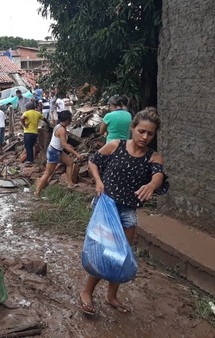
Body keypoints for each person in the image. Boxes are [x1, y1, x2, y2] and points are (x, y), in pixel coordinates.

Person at [79, 108, 167, 316]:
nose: (145, 137)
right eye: (141, 131)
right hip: (106, 208)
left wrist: (152, 186)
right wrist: (98, 182)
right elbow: (93, 161)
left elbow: (158, 176)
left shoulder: (154, 157)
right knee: (103, 252)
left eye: (150, 134)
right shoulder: (115, 146)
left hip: (127, 212)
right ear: (132, 128)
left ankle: (111, 296)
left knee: (120, 255)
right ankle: (86, 292)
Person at [34, 111, 85, 197]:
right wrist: (77, 154)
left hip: (56, 150)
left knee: (70, 162)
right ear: (68, 120)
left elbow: (61, 142)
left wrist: (69, 146)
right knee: (48, 173)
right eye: (70, 119)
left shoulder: (59, 126)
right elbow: (64, 144)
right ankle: (37, 192)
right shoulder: (61, 130)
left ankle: (70, 183)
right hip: (54, 152)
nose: (71, 121)